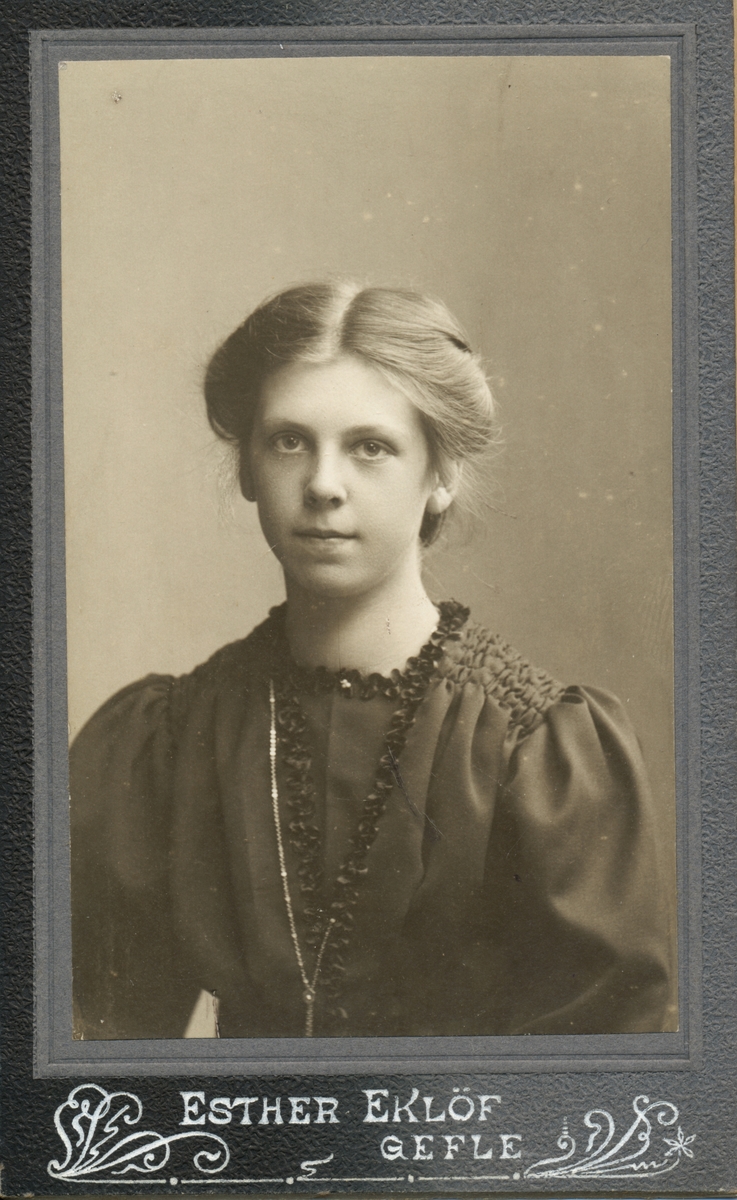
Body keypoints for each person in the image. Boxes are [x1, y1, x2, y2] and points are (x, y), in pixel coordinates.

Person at [71, 281, 674, 1041]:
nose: (323, 485)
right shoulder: (168, 741)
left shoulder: (537, 751)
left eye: (370, 447)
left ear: (442, 476)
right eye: (289, 441)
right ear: (248, 468)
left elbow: (592, 1074)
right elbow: (83, 1052)